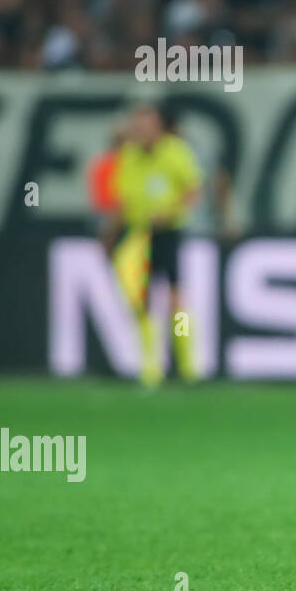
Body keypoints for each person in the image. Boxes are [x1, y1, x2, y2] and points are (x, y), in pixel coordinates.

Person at [106, 104, 204, 386]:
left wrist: (173, 211)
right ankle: (151, 369)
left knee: (176, 300)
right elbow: (121, 201)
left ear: (159, 126)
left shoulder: (175, 151)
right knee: (142, 301)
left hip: (169, 233)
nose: (142, 131)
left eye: (147, 125)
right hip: (139, 235)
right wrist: (111, 235)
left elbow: (193, 190)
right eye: (139, 126)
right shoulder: (128, 156)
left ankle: (187, 367)